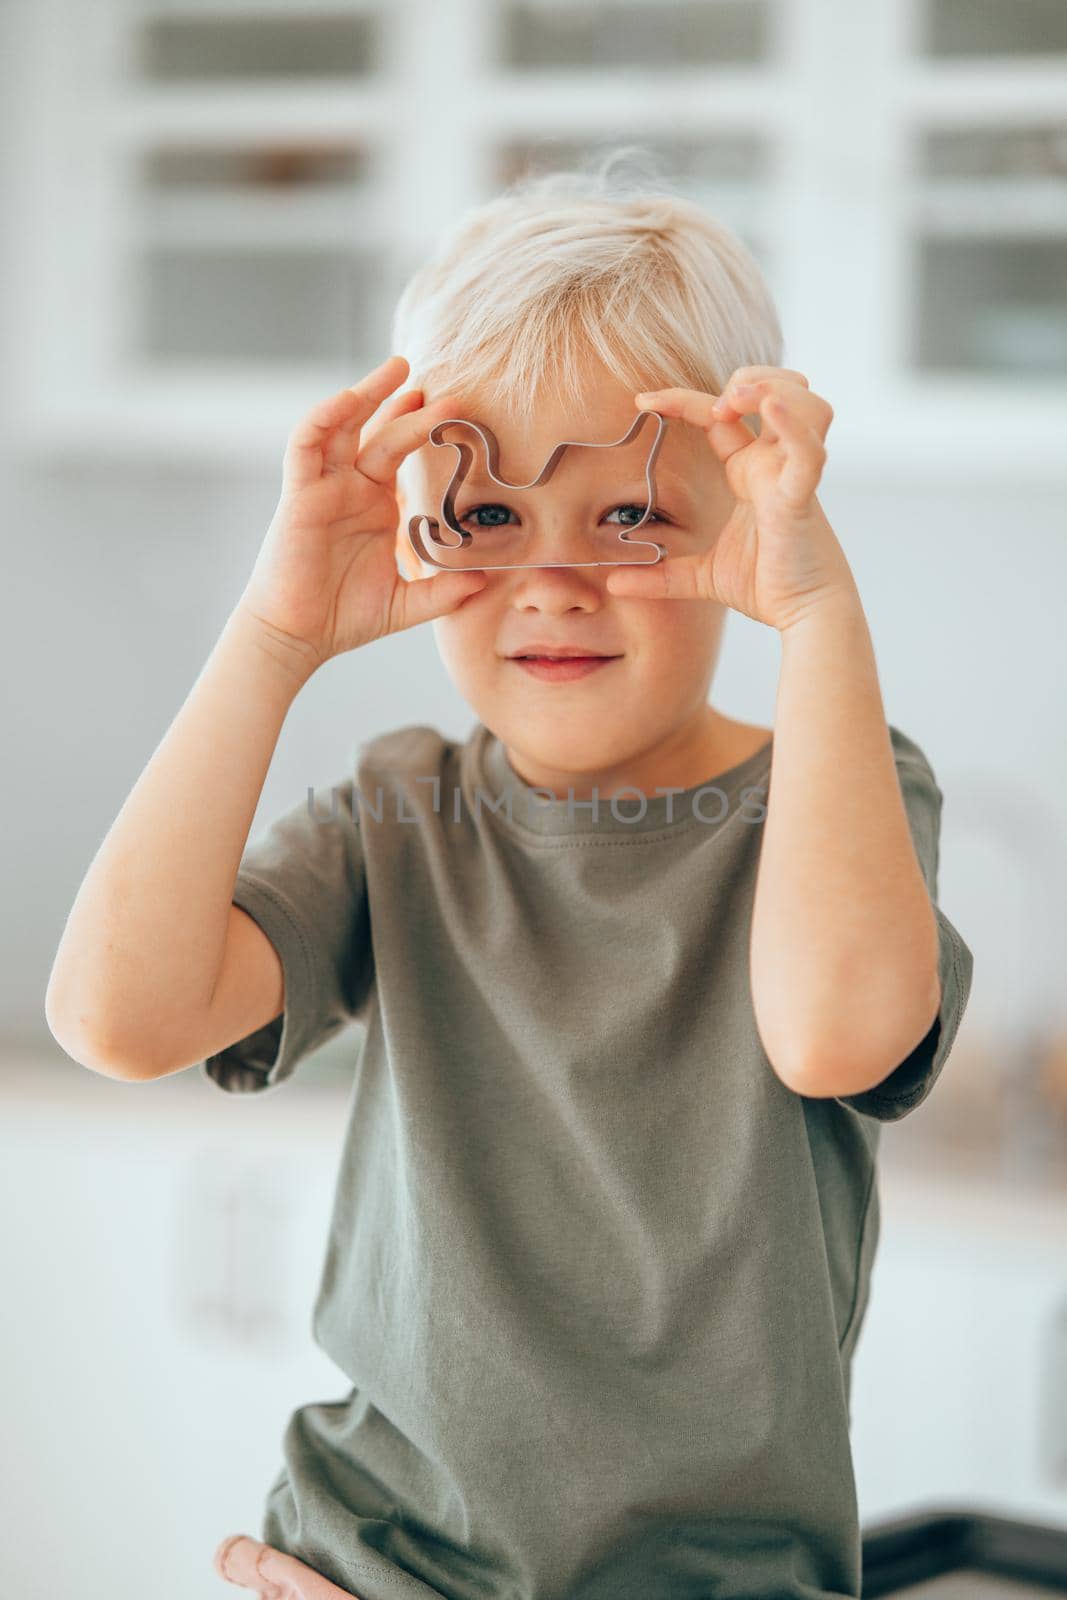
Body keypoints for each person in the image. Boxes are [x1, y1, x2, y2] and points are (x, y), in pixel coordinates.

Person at [45, 152, 974, 1600]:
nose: (554, 583)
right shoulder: (401, 811)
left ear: (742, 512)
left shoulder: (835, 796)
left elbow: (839, 1031)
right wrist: (276, 634)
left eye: (629, 517)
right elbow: (117, 1017)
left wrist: (815, 607)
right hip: (369, 1567)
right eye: (486, 517)